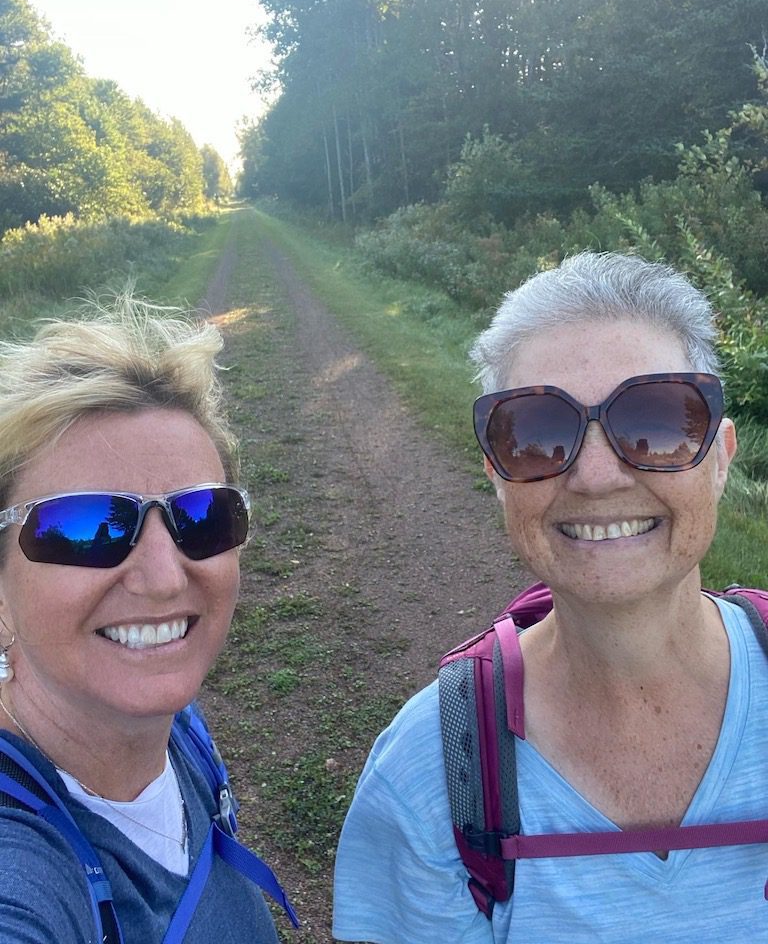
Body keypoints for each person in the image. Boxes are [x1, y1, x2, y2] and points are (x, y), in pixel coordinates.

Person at [331, 251, 768, 942]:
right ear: (498, 474)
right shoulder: (429, 777)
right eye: (536, 433)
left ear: (720, 456)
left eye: (655, 420)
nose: (596, 477)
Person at [0, 296, 287, 942]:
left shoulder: (177, 729)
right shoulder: (24, 880)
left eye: (202, 517)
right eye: (85, 527)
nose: (163, 577)